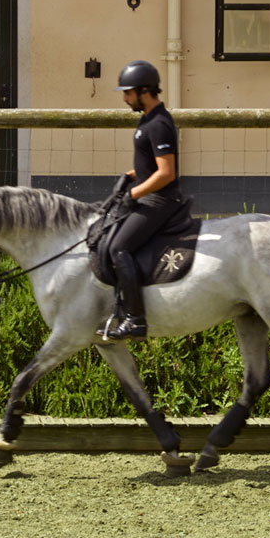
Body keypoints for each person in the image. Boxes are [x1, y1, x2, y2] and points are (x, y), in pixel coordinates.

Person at [97, 61, 191, 344]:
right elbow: (151, 166)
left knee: (118, 246)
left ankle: (135, 319)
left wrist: (133, 194)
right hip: (149, 193)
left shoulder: (160, 123)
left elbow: (166, 173)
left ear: (145, 90)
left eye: (128, 93)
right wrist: (130, 176)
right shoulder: (147, 120)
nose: (125, 98)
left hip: (161, 199)